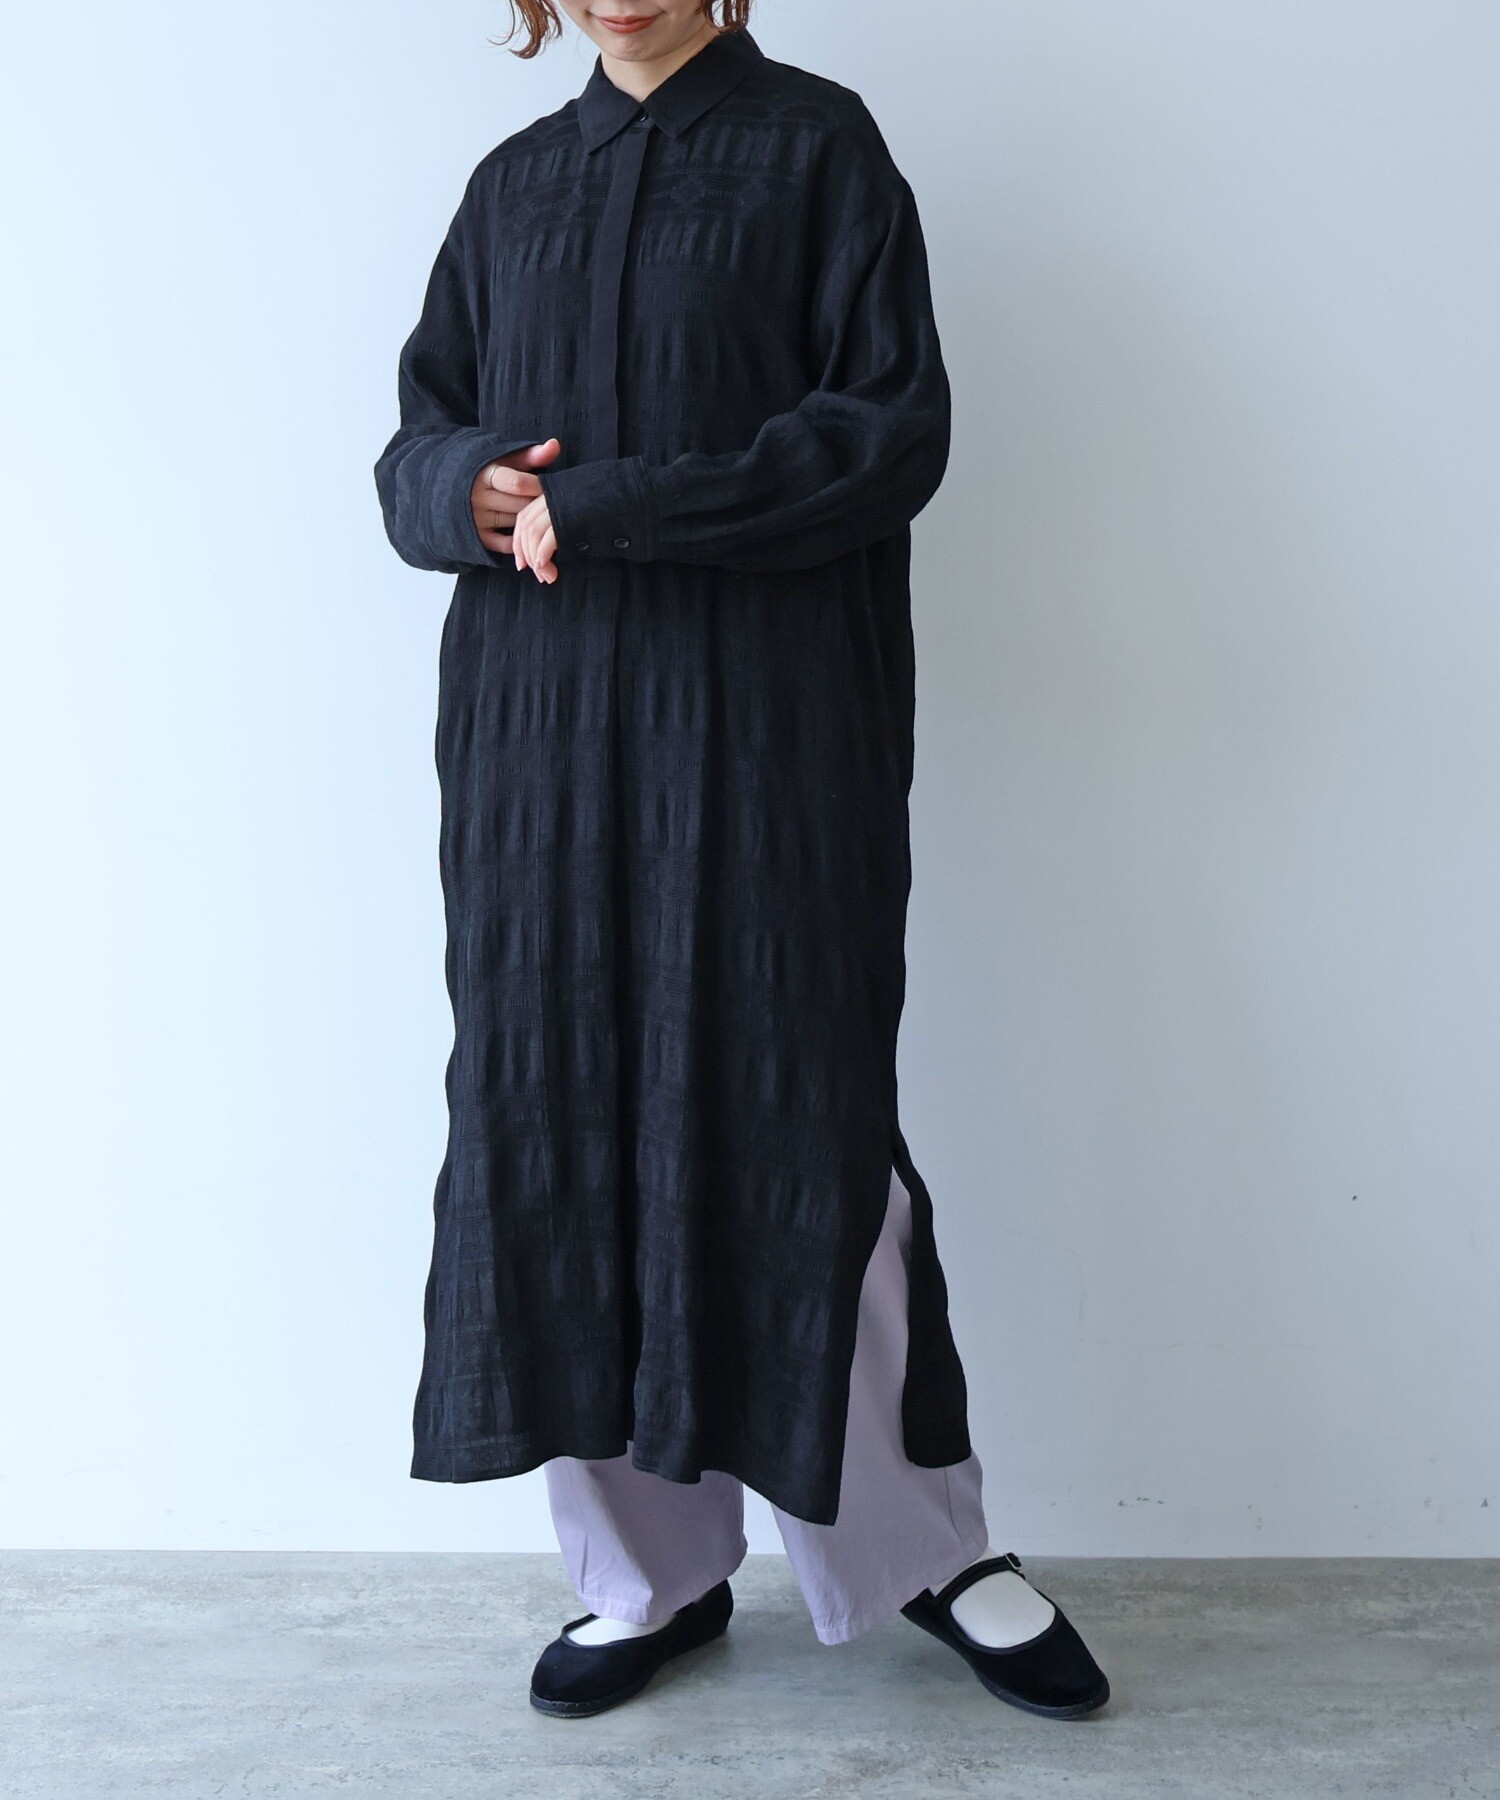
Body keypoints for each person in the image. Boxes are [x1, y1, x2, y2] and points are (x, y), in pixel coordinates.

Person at [374, 0, 1110, 1720]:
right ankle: (646, 1575)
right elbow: (416, 442)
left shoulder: (818, 150)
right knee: (563, 1118)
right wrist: (466, 488)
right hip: (541, 750)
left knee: (799, 1113)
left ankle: (926, 1551)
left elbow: (889, 434)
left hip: (766, 732)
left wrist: (624, 504)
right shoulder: (512, 188)